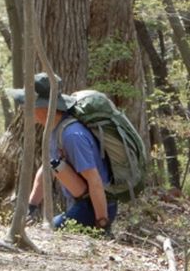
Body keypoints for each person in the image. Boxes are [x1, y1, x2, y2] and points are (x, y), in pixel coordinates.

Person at [8, 72, 117, 233]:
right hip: (81, 203)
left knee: (50, 234)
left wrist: (102, 223)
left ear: (43, 107)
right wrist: (31, 207)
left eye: (28, 104)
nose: (24, 108)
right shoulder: (56, 129)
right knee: (46, 230)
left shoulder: (72, 135)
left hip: (94, 208)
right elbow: (47, 168)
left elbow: (94, 180)